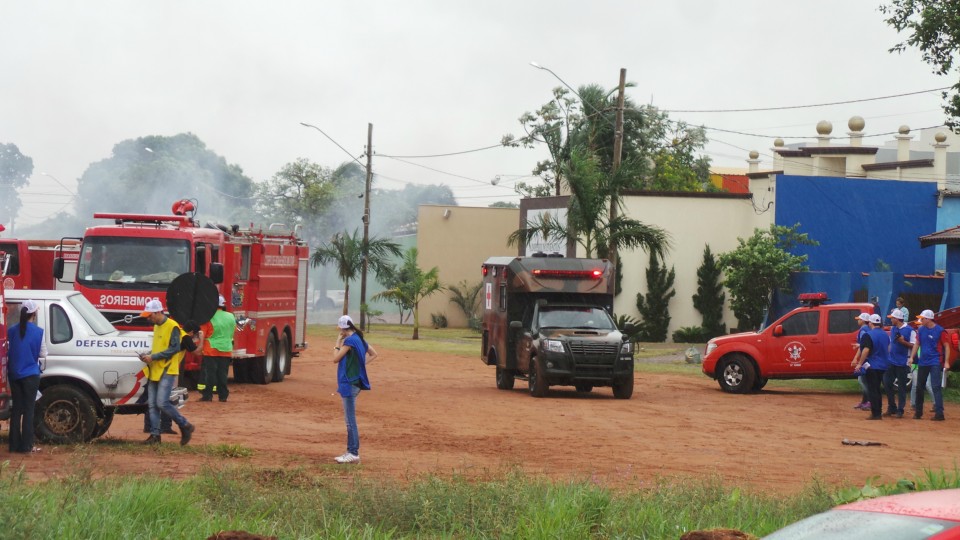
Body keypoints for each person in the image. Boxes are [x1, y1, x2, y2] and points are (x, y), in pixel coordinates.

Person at [139, 299, 196, 444]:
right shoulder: (156, 326)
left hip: (167, 369)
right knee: (152, 404)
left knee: (162, 403)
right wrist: (148, 355)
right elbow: (160, 346)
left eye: (150, 315)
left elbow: (174, 349)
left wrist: (153, 356)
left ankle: (185, 425)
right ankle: (155, 435)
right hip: (155, 369)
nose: (148, 318)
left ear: (158, 312)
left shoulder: (173, 326)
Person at [332, 314, 379, 464]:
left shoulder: (349, 341)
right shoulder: (359, 338)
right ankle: (351, 452)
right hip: (356, 382)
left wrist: (337, 342)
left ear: (344, 329)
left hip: (348, 383)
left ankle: (353, 453)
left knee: (350, 421)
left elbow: (335, 358)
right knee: (350, 420)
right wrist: (361, 365)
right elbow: (374, 354)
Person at [7, 299, 46, 454]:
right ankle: (27, 446)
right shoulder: (38, 332)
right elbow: (43, 353)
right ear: (34, 314)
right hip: (31, 375)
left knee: (16, 409)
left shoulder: (11, 331)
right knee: (29, 410)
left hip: (14, 374)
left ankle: (14, 445)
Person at [909, 309, 950, 421]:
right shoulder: (921, 330)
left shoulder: (940, 331)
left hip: (935, 362)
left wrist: (946, 361)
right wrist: (912, 357)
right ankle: (918, 412)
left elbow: (946, 346)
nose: (921, 320)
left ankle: (939, 413)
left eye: (922, 318)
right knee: (919, 386)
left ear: (928, 319)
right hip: (923, 362)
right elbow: (917, 344)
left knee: (936, 386)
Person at [198, 295, 235, 402]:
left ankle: (207, 395)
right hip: (226, 349)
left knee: (210, 374)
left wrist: (199, 347)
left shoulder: (208, 318)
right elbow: (232, 332)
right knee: (222, 375)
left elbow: (202, 334)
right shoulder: (230, 316)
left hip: (211, 350)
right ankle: (223, 396)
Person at [854, 313, 889, 420]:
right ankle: (879, 410)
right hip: (883, 365)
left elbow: (866, 350)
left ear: (870, 323)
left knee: (873, 389)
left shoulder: (868, 335)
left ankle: (876, 413)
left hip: (872, 365)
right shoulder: (885, 334)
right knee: (877, 389)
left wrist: (860, 363)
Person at [883, 309, 914, 418]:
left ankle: (900, 409)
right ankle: (892, 406)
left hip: (902, 362)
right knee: (886, 383)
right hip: (892, 361)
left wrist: (903, 342)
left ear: (897, 319)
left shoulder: (910, 330)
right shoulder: (893, 329)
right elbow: (891, 343)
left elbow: (914, 346)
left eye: (892, 318)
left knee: (901, 387)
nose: (891, 319)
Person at [850, 313, 871, 410]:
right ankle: (864, 401)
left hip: (866, 359)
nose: (858, 320)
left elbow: (864, 346)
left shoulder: (863, 330)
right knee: (864, 380)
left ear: (863, 320)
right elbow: (862, 345)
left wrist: (856, 358)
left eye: (859, 319)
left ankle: (869, 401)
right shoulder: (867, 329)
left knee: (863, 380)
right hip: (868, 358)